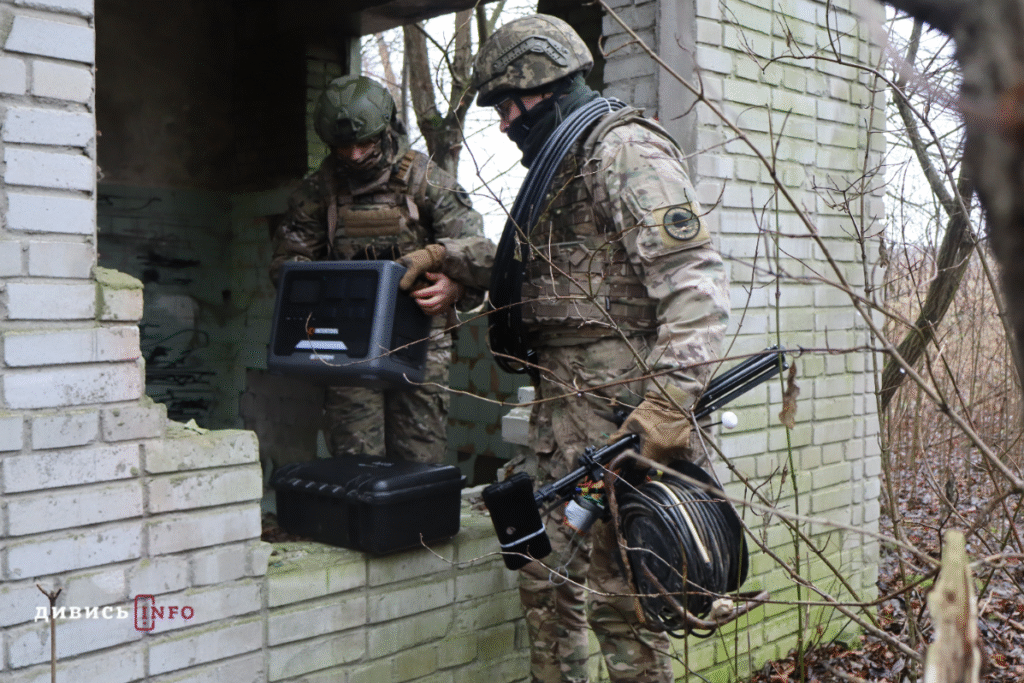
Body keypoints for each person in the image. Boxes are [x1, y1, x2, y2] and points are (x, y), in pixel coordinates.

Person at [473, 14, 731, 683]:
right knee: (542, 581)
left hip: (625, 427)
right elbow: (553, 281)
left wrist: (668, 407)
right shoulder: (561, 166)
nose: (504, 122)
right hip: (562, 424)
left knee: (626, 609)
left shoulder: (623, 149)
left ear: (543, 84)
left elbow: (694, 287)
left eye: (508, 104)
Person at [270, 75, 493, 464]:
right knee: (356, 461)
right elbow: (287, 265)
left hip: (420, 341)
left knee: (419, 460)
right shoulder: (319, 190)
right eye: (343, 147)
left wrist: (451, 283)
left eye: (364, 143)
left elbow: (482, 252)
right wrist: (322, 293)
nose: (354, 155)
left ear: (386, 129)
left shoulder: (426, 181)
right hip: (348, 343)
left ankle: (423, 528)